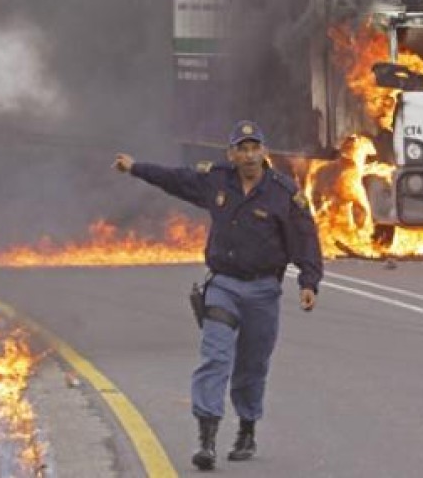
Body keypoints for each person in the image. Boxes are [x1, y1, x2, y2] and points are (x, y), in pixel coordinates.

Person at [113, 119, 323, 471]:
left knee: (251, 367)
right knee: (215, 357)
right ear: (232, 154)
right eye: (242, 148)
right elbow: (176, 179)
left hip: (263, 290)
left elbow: (305, 238)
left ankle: (246, 428)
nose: (249, 154)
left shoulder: (284, 193)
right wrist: (135, 168)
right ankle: (207, 440)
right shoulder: (217, 180)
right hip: (223, 285)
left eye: (255, 147)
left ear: (265, 153)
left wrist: (308, 283)